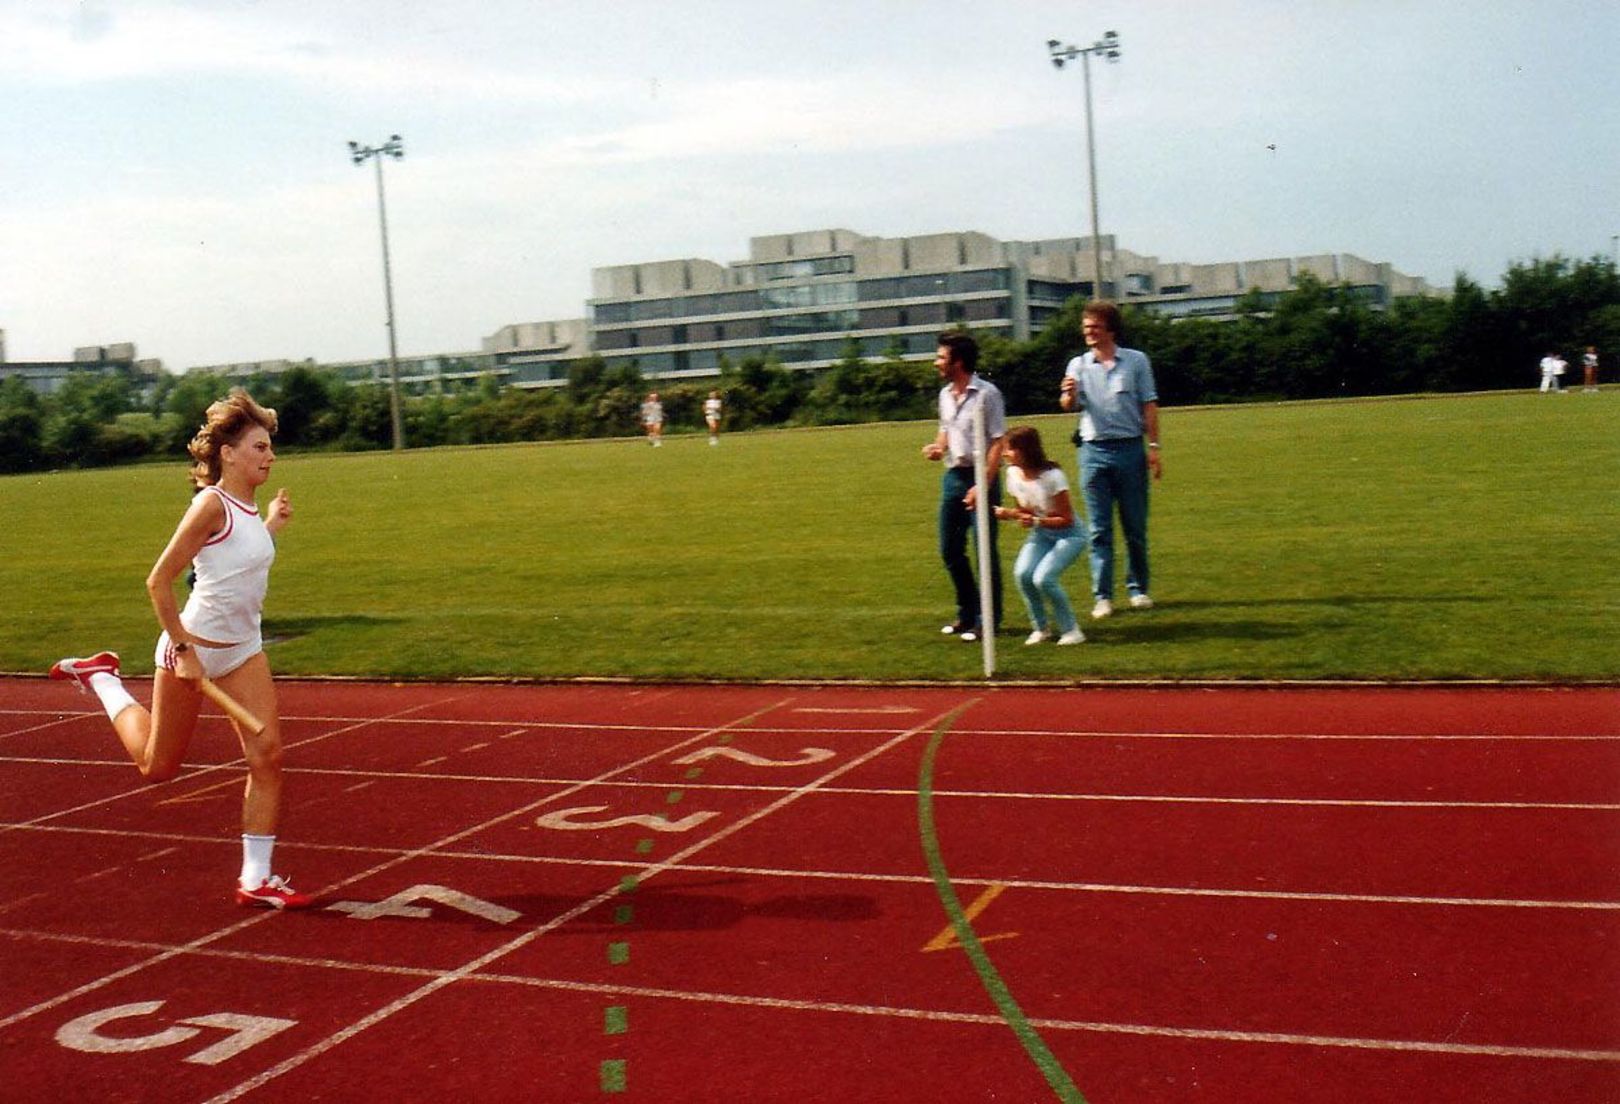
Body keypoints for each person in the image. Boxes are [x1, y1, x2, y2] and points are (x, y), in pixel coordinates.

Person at [48, 388, 312, 910]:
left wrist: (270, 527)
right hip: (191, 648)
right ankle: (103, 678)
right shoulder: (210, 504)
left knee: (269, 756)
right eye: (260, 447)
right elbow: (159, 581)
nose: (271, 456)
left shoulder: (246, 509)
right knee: (158, 767)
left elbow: (235, 562)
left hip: (243, 651)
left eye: (270, 447)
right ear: (228, 454)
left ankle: (256, 878)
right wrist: (185, 651)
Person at [1059, 301, 1162, 620]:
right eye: (1086, 327)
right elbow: (1068, 405)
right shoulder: (1078, 364)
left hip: (1130, 449)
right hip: (1093, 452)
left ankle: (1138, 589)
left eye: (1095, 327)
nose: (1089, 332)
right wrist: (1068, 394)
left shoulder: (1136, 361)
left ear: (1111, 330)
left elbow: (1149, 405)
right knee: (1099, 529)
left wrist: (1154, 447)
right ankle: (1102, 596)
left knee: (1134, 526)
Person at [921, 331, 1004, 642]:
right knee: (950, 550)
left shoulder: (987, 394)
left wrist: (983, 484)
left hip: (981, 478)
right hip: (953, 478)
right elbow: (946, 428)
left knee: (984, 552)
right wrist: (938, 447)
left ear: (958, 362)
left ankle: (989, 620)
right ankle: (967, 613)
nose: (936, 362)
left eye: (941, 357)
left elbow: (998, 442)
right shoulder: (945, 395)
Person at [995, 426, 1085, 646]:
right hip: (1042, 533)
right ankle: (1041, 628)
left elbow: (1066, 519)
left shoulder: (1053, 477)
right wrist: (1011, 515)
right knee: (1023, 574)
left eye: (1009, 449)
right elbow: (1024, 512)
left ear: (1025, 450)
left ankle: (1071, 630)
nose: (1004, 454)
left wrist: (1034, 521)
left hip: (1070, 536)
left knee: (1044, 579)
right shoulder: (1013, 474)